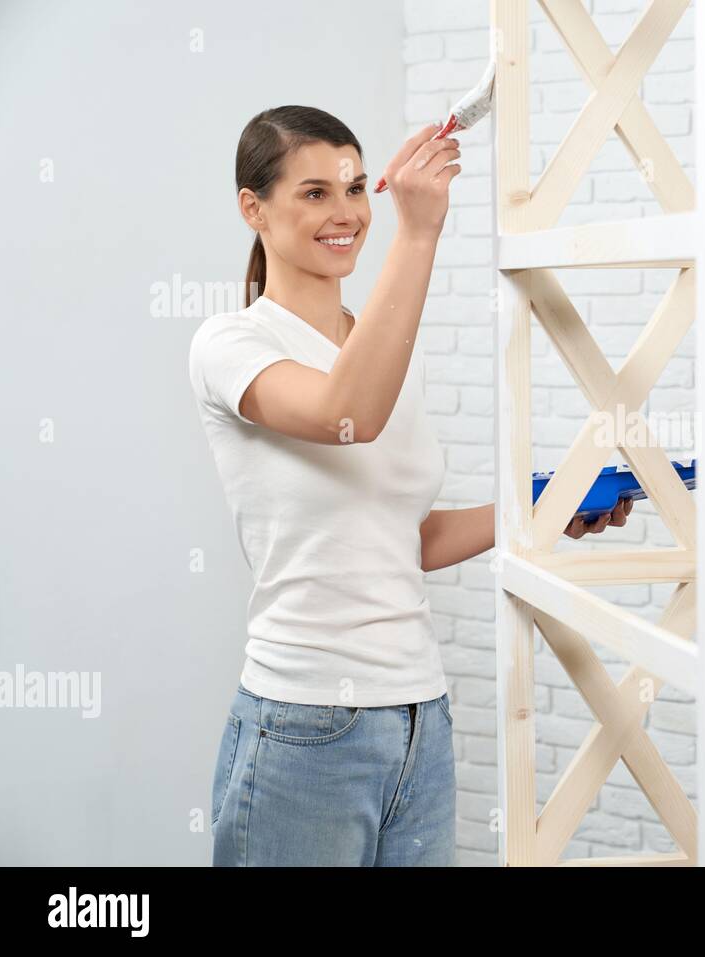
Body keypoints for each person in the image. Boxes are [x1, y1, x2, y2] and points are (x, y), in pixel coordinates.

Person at [189, 105, 632, 866]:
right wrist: (419, 233)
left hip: (420, 718)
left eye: (358, 188)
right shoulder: (232, 345)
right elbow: (345, 412)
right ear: (252, 208)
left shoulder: (377, 342)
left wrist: (542, 509)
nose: (348, 213)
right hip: (305, 724)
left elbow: (409, 539)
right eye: (316, 192)